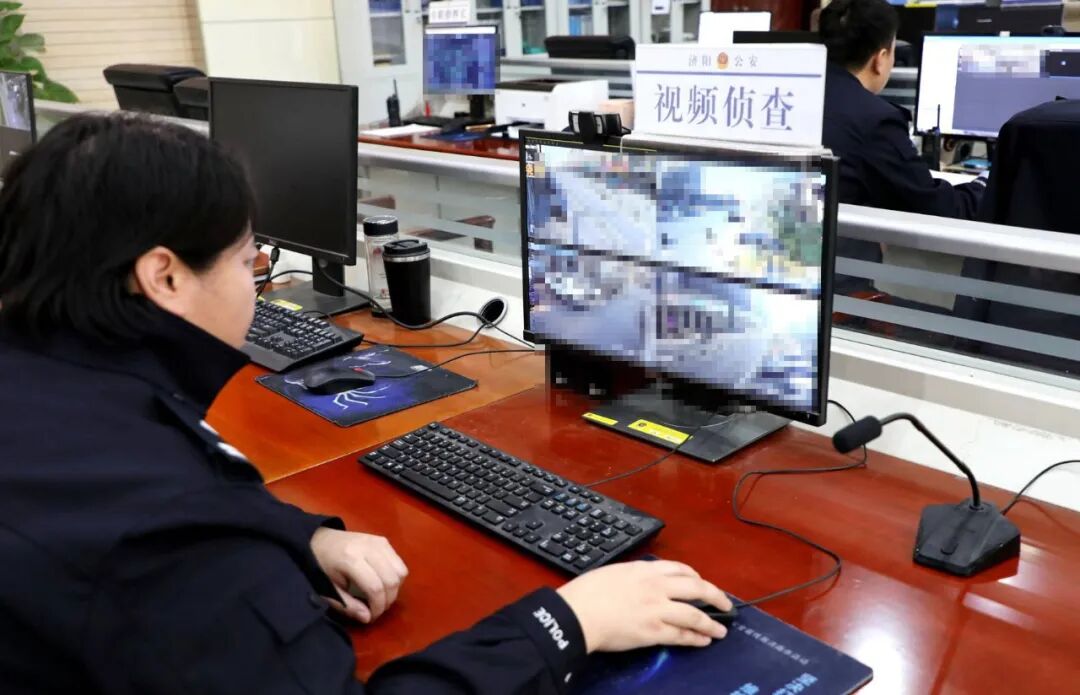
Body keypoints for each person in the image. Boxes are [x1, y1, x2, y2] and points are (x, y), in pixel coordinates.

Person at [0, 113, 733, 694]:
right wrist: (568, 622)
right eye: (248, 258)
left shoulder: (50, 387)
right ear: (164, 277)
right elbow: (170, 535)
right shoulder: (171, 537)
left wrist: (298, 539)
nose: (256, 278)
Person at [819, 0, 987, 290]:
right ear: (881, 57)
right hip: (835, 295)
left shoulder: (792, 94)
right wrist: (985, 184)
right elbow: (938, 210)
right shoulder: (873, 119)